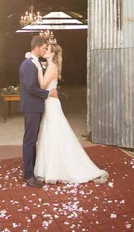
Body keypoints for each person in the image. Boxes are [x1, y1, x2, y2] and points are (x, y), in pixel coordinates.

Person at [28, 39, 108, 184]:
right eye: (45, 49)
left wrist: (38, 68)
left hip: (51, 104)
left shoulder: (51, 67)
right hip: (50, 102)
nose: (45, 51)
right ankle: (50, 167)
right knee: (49, 132)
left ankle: (55, 168)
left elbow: (42, 84)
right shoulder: (50, 65)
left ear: (53, 55)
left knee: (53, 132)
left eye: (48, 50)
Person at [19, 35, 58, 188]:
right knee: (29, 140)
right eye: (43, 48)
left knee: (33, 139)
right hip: (31, 107)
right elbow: (31, 88)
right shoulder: (29, 65)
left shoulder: (34, 62)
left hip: (35, 106)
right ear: (36, 47)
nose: (44, 50)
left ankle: (33, 168)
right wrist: (49, 94)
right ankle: (28, 174)